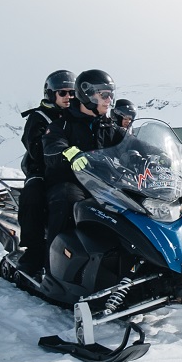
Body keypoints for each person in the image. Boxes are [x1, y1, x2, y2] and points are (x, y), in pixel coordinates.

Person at [41, 70, 126, 266]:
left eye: (111, 95)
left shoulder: (108, 127)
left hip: (103, 185)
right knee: (68, 199)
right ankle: (52, 266)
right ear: (87, 95)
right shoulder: (61, 125)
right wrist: (70, 153)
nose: (109, 100)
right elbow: (53, 146)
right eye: (104, 95)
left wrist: (160, 157)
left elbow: (132, 145)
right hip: (70, 182)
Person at [15, 70, 75, 277]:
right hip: (41, 169)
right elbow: (35, 149)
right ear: (51, 94)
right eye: (63, 93)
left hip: (72, 170)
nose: (68, 97)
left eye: (72, 93)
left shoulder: (76, 115)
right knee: (33, 195)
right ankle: (33, 251)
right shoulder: (38, 117)